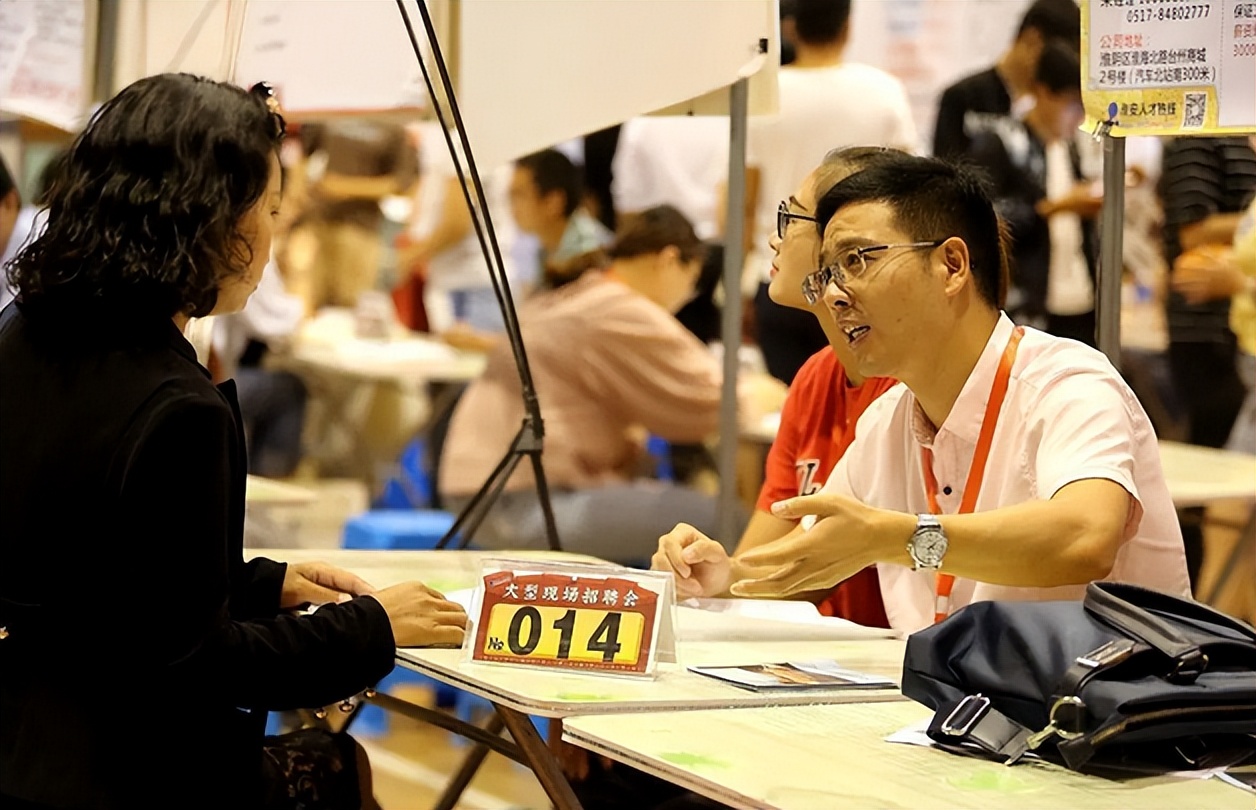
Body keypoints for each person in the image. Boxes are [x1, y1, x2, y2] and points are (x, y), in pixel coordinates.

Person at [0, 74, 468, 810]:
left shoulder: (22, 335)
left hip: (20, 738)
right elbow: (197, 662)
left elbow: (91, 583)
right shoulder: (176, 407)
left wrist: (258, 584)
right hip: (118, 769)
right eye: (271, 209)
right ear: (210, 218)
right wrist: (372, 626)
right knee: (334, 768)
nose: (273, 238)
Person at [654, 154, 1189, 635]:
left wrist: (898, 537)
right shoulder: (888, 420)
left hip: (1108, 724)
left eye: (857, 260)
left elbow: (1084, 537)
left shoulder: (1066, 383)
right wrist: (720, 576)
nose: (836, 294)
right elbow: (812, 560)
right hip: (967, 723)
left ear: (952, 265)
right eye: (829, 273)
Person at [440, 205, 741, 565]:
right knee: (731, 523)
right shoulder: (616, 306)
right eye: (691, 283)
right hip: (522, 502)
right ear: (669, 260)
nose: (686, 297)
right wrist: (764, 392)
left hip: (484, 491)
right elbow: (717, 396)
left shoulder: (577, 291)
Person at [740, 0, 917, 384]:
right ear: (848, 26)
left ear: (789, 29)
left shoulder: (764, 93)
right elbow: (907, 196)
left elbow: (744, 202)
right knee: (872, 400)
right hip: (864, 278)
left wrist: (741, 279)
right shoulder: (883, 91)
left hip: (778, 277)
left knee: (794, 401)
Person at [1157, 135, 1256, 587]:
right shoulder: (1200, 142)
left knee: (1233, 521)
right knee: (1231, 525)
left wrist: (1239, 280)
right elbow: (1192, 235)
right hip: (1233, 352)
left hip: (1235, 354)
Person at [967, 40, 1099, 344]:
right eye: (1072, 105)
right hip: (1027, 303)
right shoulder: (1003, 143)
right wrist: (1055, 207)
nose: (1078, 117)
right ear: (1042, 93)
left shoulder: (1070, 149)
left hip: (1080, 298)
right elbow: (984, 219)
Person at [932, 0, 1080, 160]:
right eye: (1061, 55)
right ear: (1033, 40)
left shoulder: (1046, 112)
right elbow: (944, 176)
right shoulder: (962, 98)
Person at [509, 148, 612, 284]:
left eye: (520, 195)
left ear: (553, 201)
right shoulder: (546, 249)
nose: (512, 206)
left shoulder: (591, 251)